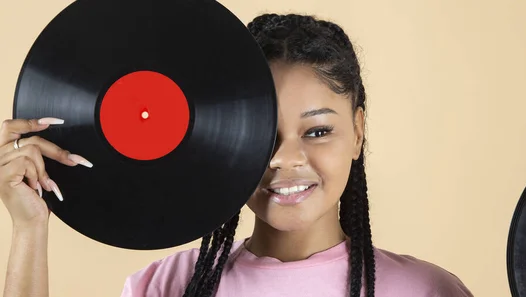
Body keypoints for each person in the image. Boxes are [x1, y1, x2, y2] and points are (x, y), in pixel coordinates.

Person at [0, 13, 473, 297]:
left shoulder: (428, 291)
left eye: (319, 130)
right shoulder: (165, 288)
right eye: (264, 133)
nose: (286, 159)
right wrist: (29, 229)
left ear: (358, 132)